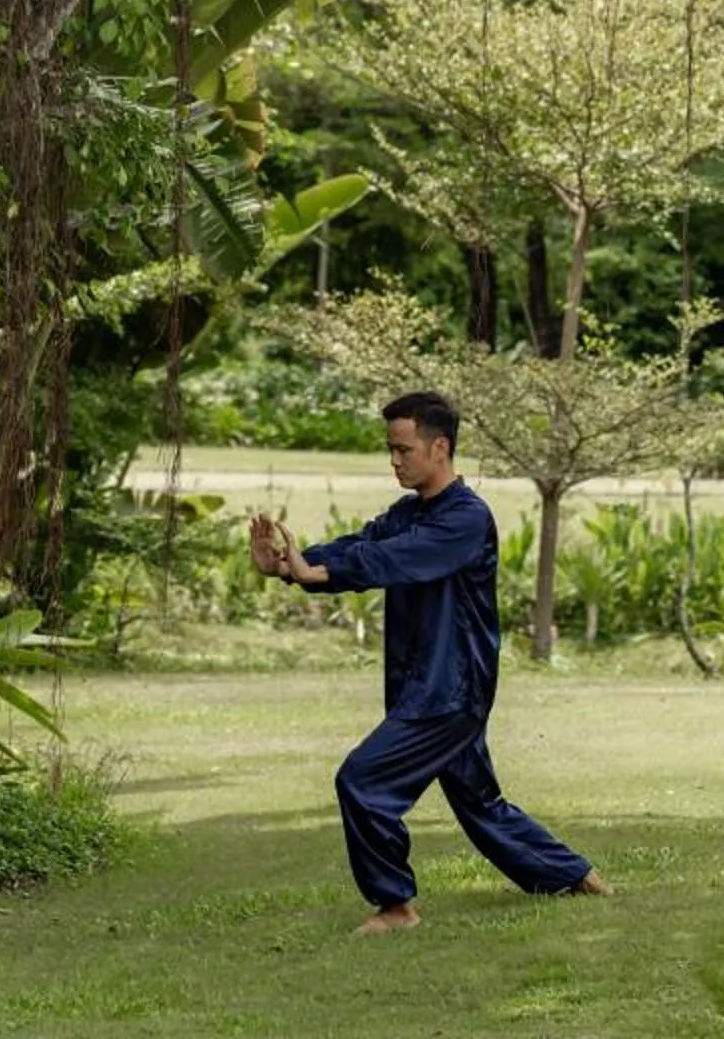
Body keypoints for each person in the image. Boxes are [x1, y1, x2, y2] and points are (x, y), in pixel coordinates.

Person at [249, 389, 612, 933]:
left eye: (404, 450)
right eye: (390, 451)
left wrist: (313, 573)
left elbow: (392, 559)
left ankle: (396, 906)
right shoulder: (409, 514)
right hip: (425, 685)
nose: (395, 461)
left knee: (363, 782)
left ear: (439, 447)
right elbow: (361, 545)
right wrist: (285, 566)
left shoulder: (466, 520)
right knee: (480, 803)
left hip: (449, 690)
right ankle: (577, 877)